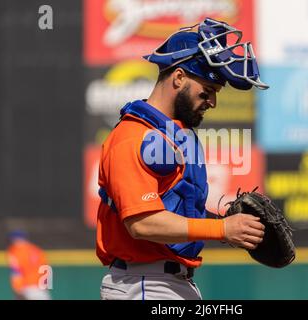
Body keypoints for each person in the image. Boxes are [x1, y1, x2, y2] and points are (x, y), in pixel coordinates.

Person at [96, 17, 269, 300]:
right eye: (208, 90)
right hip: (143, 283)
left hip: (168, 283)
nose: (212, 102)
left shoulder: (173, 136)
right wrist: (222, 229)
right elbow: (142, 224)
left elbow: (176, 208)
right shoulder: (132, 137)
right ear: (178, 78)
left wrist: (230, 223)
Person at [6, 230, 51, 300]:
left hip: (26, 289)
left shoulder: (15, 251)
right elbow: (46, 269)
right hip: (41, 289)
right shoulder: (36, 250)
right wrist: (45, 287)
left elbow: (16, 272)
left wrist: (18, 290)